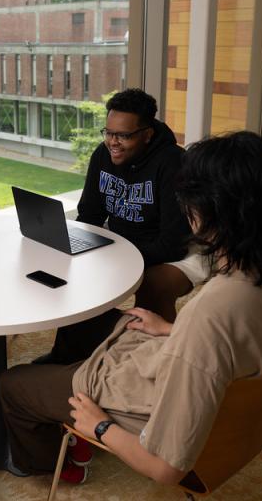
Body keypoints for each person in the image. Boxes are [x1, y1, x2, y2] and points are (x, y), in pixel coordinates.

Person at [0, 131, 262, 486]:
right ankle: (61, 399)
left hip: (150, 401)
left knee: (13, 384)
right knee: (84, 325)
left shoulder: (215, 311)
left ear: (207, 212)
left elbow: (166, 468)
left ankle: (53, 465)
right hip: (214, 388)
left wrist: (101, 426)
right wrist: (174, 329)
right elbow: (252, 336)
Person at [35, 88, 204, 364]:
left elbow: (173, 242)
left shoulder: (174, 163)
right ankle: (69, 355)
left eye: (123, 135)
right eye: (109, 132)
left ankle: (149, 363)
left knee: (153, 285)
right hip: (124, 245)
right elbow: (89, 214)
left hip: (179, 251)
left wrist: (119, 259)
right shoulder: (103, 155)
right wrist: (78, 247)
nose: (113, 142)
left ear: (147, 134)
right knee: (81, 269)